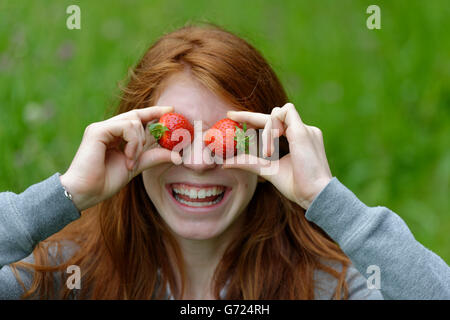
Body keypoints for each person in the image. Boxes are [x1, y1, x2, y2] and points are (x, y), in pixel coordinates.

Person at [0, 24, 448, 300]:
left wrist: (328, 200)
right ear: (127, 141)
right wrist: (67, 194)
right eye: (171, 134)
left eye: (227, 139)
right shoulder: (67, 275)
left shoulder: (330, 287)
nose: (198, 162)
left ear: (271, 148)